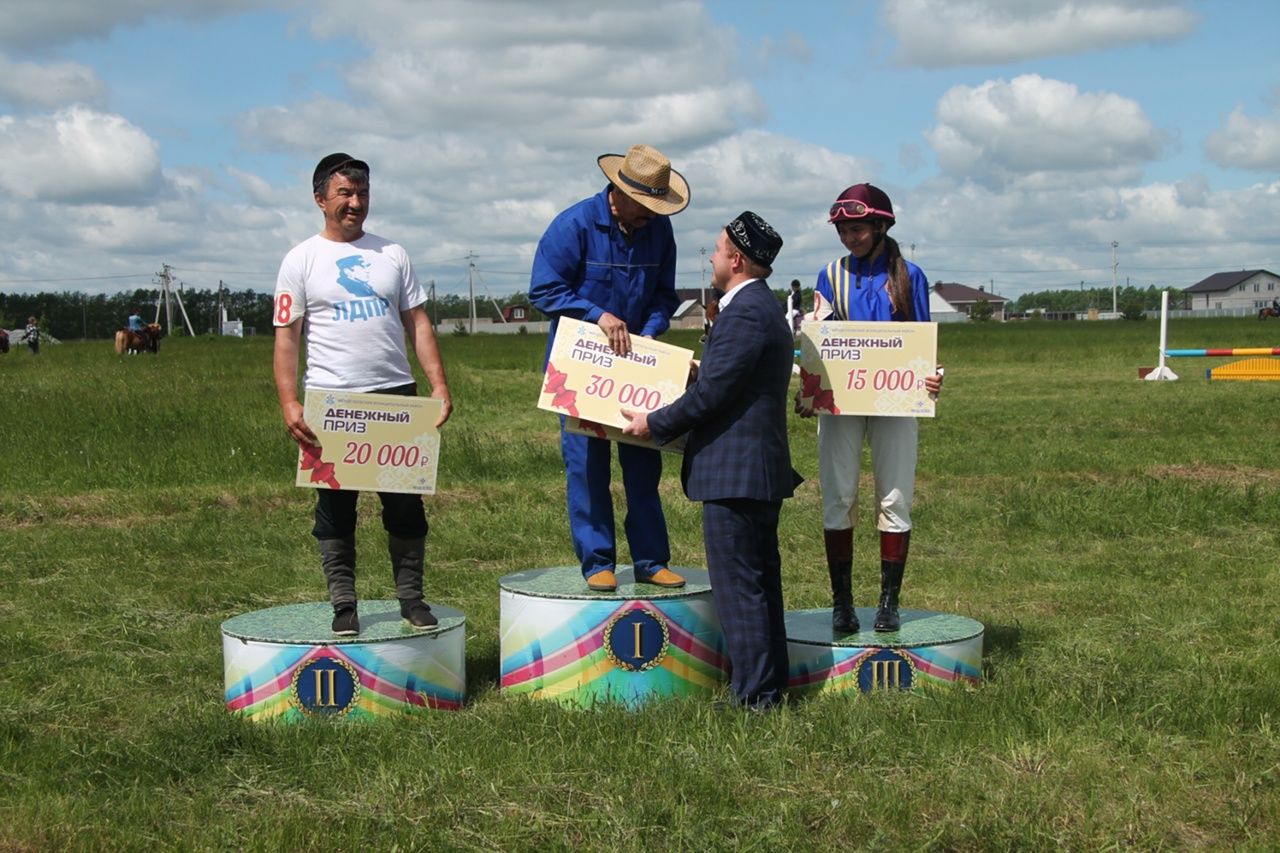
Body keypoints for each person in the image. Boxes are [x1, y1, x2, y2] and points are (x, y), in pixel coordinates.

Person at [273, 153, 453, 637]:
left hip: (396, 396)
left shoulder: (393, 253)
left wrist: (438, 385)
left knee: (405, 505)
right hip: (330, 402)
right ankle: (343, 605)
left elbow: (417, 322)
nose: (355, 203)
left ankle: (412, 600)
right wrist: (289, 401)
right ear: (319, 200)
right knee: (335, 509)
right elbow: (287, 337)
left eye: (362, 194)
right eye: (344, 195)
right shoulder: (300, 259)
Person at [623, 212, 798, 711]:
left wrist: (651, 424)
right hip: (755, 471)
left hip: (736, 473)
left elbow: (713, 396)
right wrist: (697, 368)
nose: (713, 258)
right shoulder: (761, 309)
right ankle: (769, 688)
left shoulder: (744, 312)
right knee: (760, 584)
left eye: (718, 251)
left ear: (737, 259)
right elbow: (728, 378)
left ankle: (756, 699)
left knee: (739, 590)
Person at [529, 144, 688, 593]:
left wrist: (653, 330)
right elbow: (543, 290)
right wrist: (595, 314)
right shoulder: (573, 224)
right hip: (581, 369)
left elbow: (663, 296)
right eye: (648, 207)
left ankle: (651, 561)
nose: (654, 216)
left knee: (644, 466)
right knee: (587, 466)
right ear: (622, 192)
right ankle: (597, 561)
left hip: (639, 370)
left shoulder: (659, 231)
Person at [795, 183, 943, 634]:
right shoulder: (830, 275)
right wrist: (808, 385)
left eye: (857, 229)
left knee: (895, 496)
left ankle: (888, 603)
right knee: (838, 495)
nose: (849, 238)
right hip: (841, 400)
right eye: (843, 230)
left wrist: (934, 376)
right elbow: (818, 339)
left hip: (896, 399)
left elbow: (922, 341)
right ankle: (842, 604)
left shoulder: (910, 275)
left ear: (880, 225)